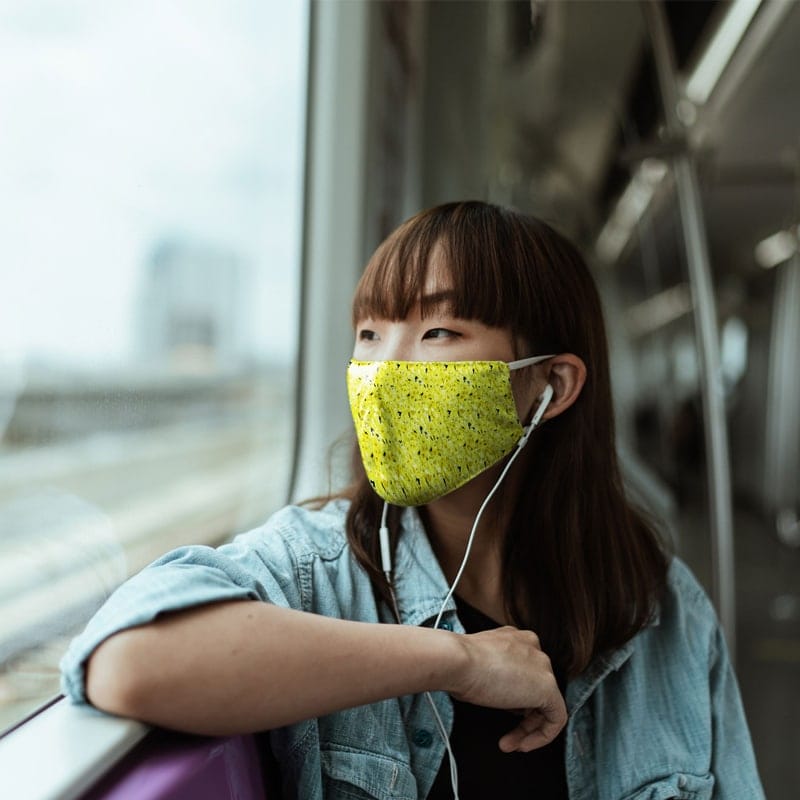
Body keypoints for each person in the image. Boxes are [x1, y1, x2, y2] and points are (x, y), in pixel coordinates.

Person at [61, 201, 764, 799]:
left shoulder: (663, 613)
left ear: (552, 386)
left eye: (437, 333)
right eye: (369, 334)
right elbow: (127, 659)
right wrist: (456, 661)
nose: (383, 370)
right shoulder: (319, 568)